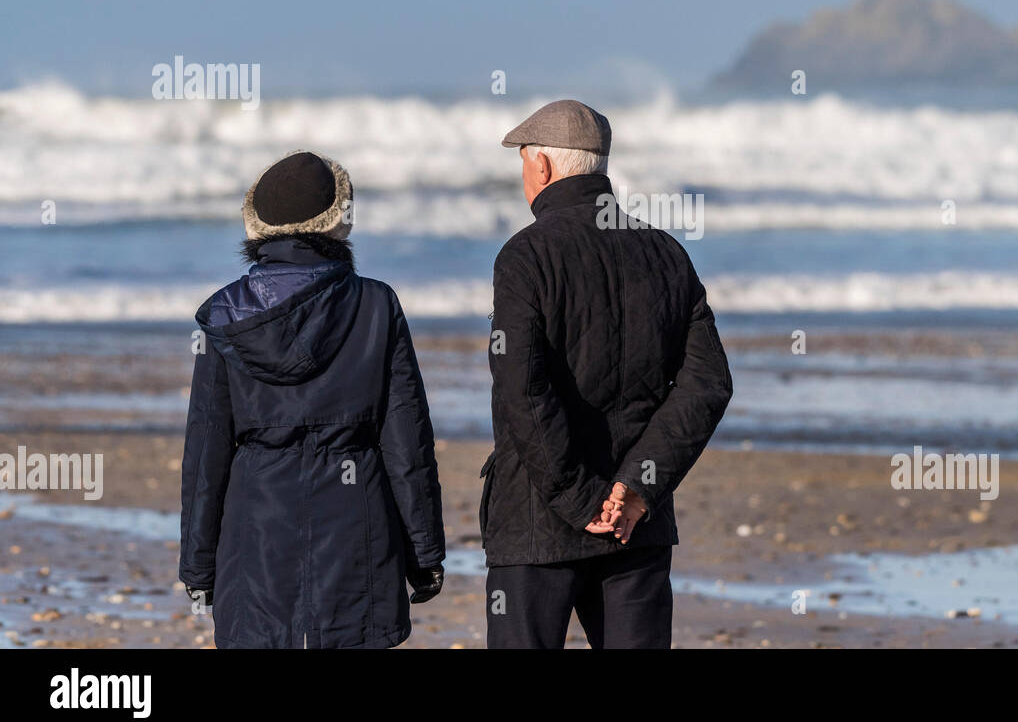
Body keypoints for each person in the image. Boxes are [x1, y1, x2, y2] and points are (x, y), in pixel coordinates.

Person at [482, 99, 733, 648]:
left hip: (538, 524)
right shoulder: (667, 253)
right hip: (635, 524)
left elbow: (522, 391)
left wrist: (582, 499)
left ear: (541, 167)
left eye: (524, 162)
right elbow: (707, 384)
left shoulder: (525, 256)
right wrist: (638, 485)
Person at [180, 150, 445, 648]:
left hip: (256, 521)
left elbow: (206, 450)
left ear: (257, 227)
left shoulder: (226, 315)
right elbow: (407, 441)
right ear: (339, 222)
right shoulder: (376, 303)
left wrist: (198, 563)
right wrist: (425, 554)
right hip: (355, 517)